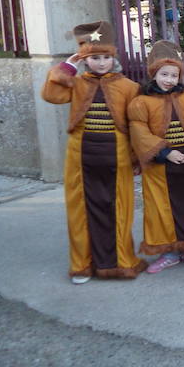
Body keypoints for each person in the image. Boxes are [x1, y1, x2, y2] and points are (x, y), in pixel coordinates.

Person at [41, 21, 145, 283]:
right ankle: (82, 265)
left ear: (114, 58)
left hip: (117, 158)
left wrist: (137, 157)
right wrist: (68, 65)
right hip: (81, 159)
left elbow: (137, 124)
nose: (100, 63)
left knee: (119, 209)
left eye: (106, 57)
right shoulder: (76, 84)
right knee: (81, 210)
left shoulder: (129, 87)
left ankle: (122, 261)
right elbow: (51, 95)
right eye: (94, 58)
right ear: (85, 59)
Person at [127, 41, 184, 273]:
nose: (169, 79)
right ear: (154, 74)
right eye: (164, 74)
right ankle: (169, 252)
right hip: (161, 166)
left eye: (174, 74)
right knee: (162, 208)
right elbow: (139, 132)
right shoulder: (141, 103)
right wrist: (166, 152)